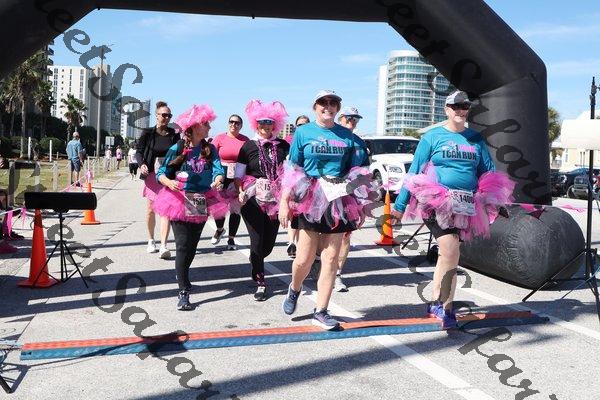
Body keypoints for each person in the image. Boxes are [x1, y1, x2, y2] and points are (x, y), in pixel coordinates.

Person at [391, 90, 515, 329]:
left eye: (464, 106)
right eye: (455, 106)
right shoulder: (432, 137)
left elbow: (488, 172)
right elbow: (414, 172)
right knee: (450, 251)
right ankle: (447, 309)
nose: (460, 110)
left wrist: (496, 202)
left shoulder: (475, 139)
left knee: (448, 255)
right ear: (446, 109)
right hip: (436, 201)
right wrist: (399, 206)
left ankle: (436, 302)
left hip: (465, 204)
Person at [279, 90, 375, 330]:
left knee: (331, 257)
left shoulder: (348, 136)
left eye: (333, 103)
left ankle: (321, 311)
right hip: (310, 196)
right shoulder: (303, 132)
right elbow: (292, 169)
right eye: (323, 102)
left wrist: (362, 205)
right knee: (304, 258)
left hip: (338, 198)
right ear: (315, 107)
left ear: (337, 109)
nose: (328, 106)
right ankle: (295, 288)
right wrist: (284, 201)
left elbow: (357, 173)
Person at [153, 104, 226, 310]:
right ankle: (183, 290)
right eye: (206, 124)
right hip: (178, 200)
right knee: (182, 246)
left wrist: (218, 180)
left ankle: (183, 276)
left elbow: (218, 170)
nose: (209, 127)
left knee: (192, 247)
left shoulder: (209, 149)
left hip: (200, 200)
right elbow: (161, 173)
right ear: (194, 127)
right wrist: (169, 182)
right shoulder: (178, 148)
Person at [236, 100, 290, 301]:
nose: (266, 127)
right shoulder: (248, 146)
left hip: (275, 200)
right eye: (262, 124)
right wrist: (240, 190)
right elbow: (238, 174)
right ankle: (260, 281)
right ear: (256, 125)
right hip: (252, 200)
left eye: (269, 124)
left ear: (275, 125)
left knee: (268, 244)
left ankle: (255, 259)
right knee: (257, 241)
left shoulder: (283, 146)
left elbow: (291, 170)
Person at [136, 101, 179, 258]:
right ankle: (151, 240)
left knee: (166, 210)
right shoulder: (148, 133)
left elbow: (179, 153)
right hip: (152, 175)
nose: (166, 118)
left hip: (167, 176)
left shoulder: (174, 134)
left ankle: (163, 246)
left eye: (169, 115)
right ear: (157, 115)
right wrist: (141, 164)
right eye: (164, 115)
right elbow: (139, 151)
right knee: (151, 209)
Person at [331, 106, 365, 292]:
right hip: (327, 192)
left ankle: (337, 275)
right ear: (340, 118)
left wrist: (364, 202)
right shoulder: (330, 136)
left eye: (355, 119)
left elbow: (365, 172)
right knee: (324, 235)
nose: (352, 121)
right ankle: (321, 266)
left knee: (345, 235)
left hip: (350, 194)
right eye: (349, 118)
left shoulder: (359, 142)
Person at [211, 114, 249, 250]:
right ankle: (220, 229)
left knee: (235, 209)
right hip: (221, 176)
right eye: (231, 122)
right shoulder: (219, 138)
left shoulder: (245, 140)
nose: (234, 124)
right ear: (228, 123)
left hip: (237, 177)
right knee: (218, 207)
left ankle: (231, 239)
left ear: (241, 126)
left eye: (237, 123)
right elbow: (210, 155)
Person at [285, 115, 310, 259]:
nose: (302, 127)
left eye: (305, 124)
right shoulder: (289, 140)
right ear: (296, 127)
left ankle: (298, 243)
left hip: (309, 182)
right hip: (294, 180)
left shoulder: (312, 138)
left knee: (303, 213)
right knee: (293, 211)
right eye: (299, 125)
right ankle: (291, 242)